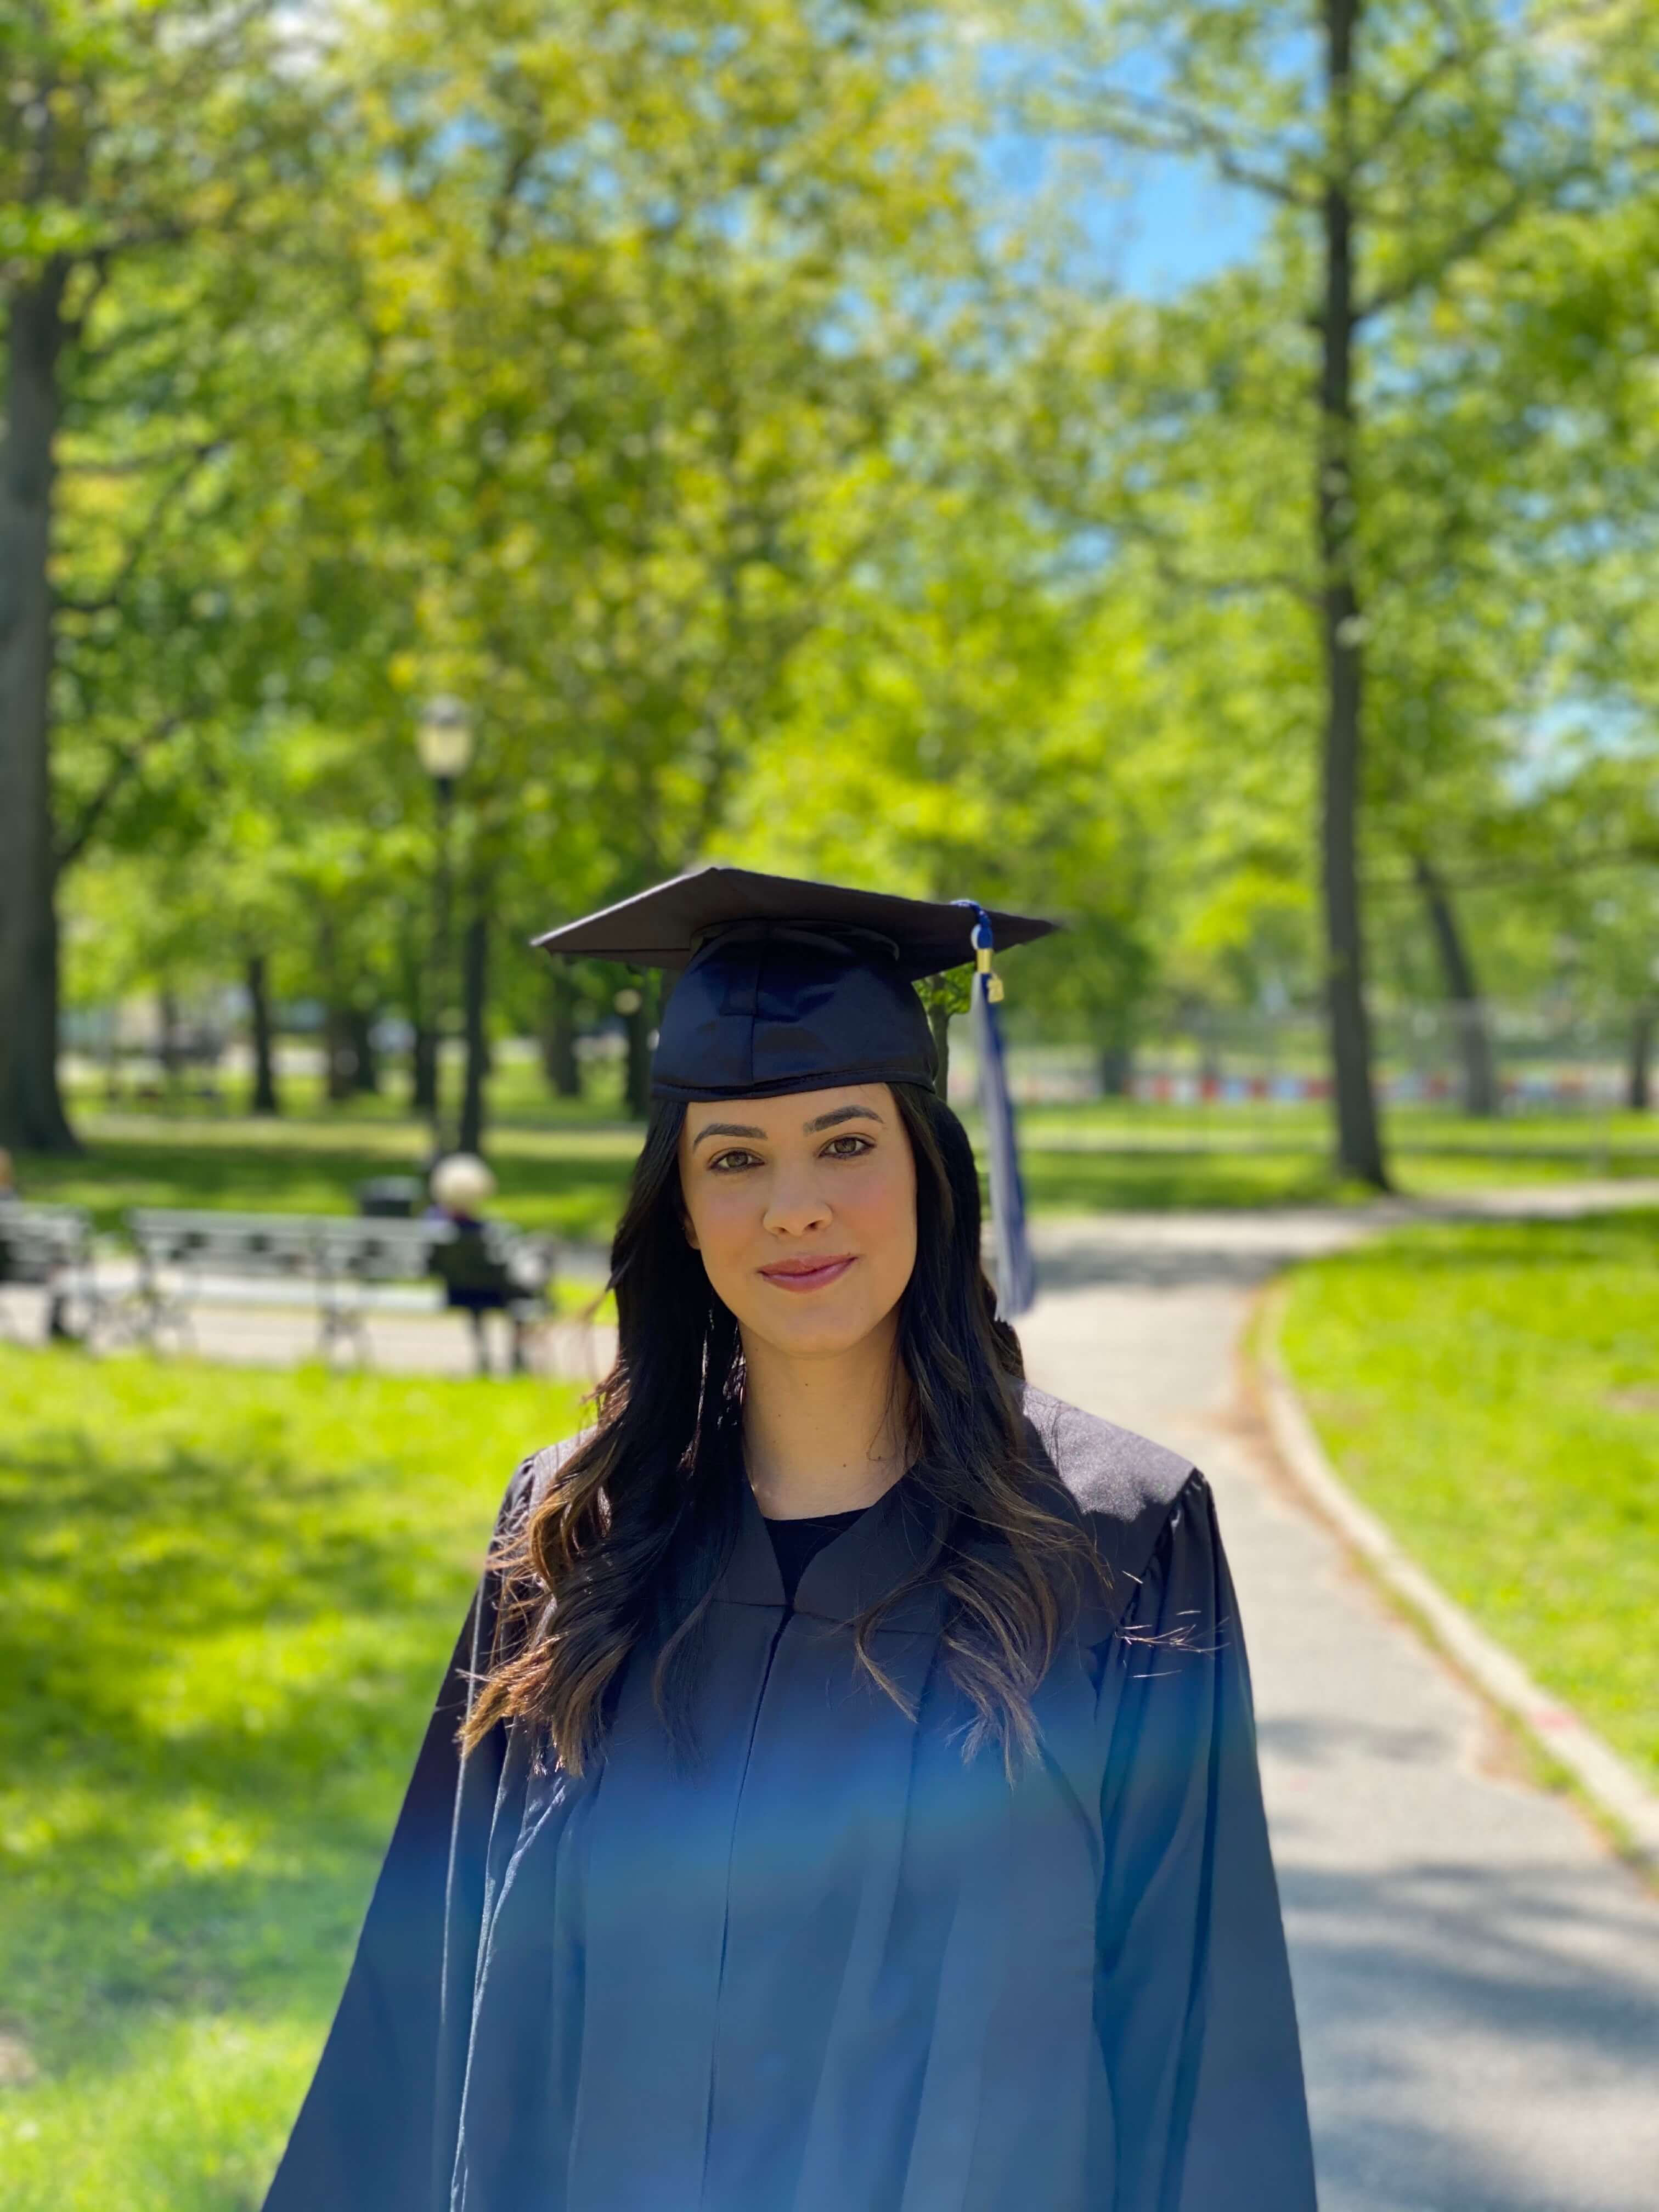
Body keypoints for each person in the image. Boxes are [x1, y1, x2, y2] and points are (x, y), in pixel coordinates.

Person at [262, 867, 1317, 2212]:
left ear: (929, 1170)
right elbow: (423, 2003)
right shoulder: (573, 1532)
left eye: (847, 1142)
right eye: (736, 1160)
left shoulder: (1112, 1542)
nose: (794, 1206)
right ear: (681, 1205)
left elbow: (1198, 2036)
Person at [425, 1152, 527, 1378]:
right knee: (523, 1297)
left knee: (479, 1298)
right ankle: (517, 1355)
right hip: (491, 1293)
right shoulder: (485, 1231)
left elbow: (429, 1264)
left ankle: (484, 1354)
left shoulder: (434, 1225)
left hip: (455, 1291)